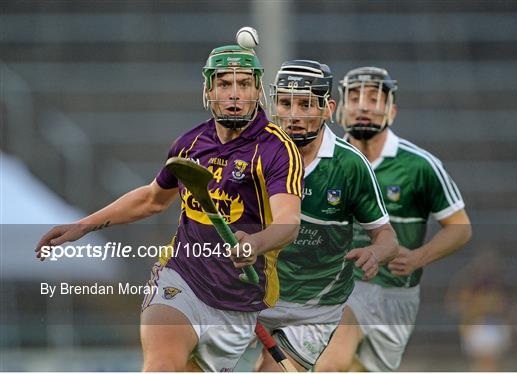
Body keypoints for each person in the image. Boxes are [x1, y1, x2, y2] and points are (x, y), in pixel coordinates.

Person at [35, 45, 303, 372]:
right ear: (208, 91)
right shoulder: (189, 144)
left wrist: (256, 243)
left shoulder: (277, 149)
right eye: (224, 84)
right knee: (161, 365)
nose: (234, 94)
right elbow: (152, 199)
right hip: (181, 278)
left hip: (239, 300)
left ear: (258, 91)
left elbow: (289, 222)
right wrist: (84, 225)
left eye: (244, 84)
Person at [315, 67, 472, 372]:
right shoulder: (324, 161)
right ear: (340, 108)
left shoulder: (419, 166)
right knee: (330, 365)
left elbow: (460, 228)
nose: (363, 106)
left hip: (398, 295)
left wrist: (417, 258)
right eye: (355, 97)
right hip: (344, 287)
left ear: (392, 111)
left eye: (374, 98)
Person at [249, 60, 398, 372]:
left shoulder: (349, 165)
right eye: (286, 103)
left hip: (313, 308)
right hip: (251, 291)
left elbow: (386, 237)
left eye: (306, 104)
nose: (294, 115)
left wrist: (375, 252)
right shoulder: (254, 153)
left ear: (329, 108)